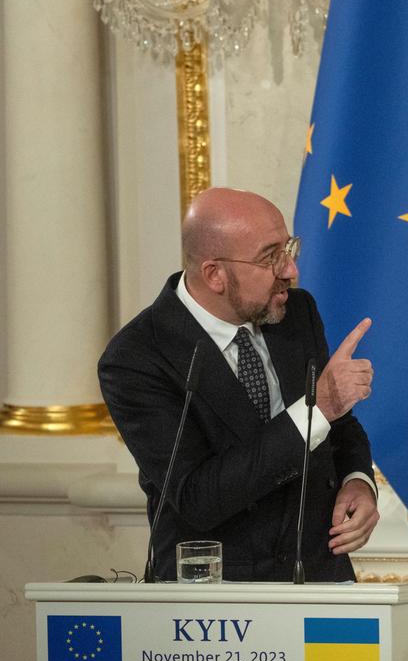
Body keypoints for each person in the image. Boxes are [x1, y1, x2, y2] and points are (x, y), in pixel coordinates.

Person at [99, 188, 379, 583]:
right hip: (217, 604)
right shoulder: (138, 357)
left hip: (319, 577)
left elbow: (338, 425)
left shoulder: (297, 313)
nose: (291, 271)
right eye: (270, 257)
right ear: (215, 274)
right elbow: (198, 498)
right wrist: (321, 406)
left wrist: (358, 480)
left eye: (289, 249)